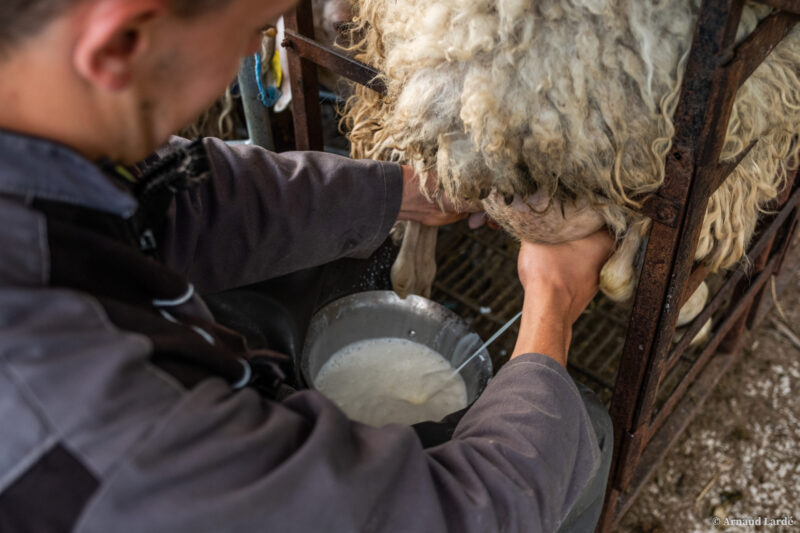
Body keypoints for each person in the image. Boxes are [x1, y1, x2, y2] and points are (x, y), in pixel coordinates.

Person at [0, 0, 615, 531]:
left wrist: (404, 192)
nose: (254, 45)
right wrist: (551, 304)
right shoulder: (94, 428)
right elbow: (465, 514)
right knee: (580, 434)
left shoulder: (41, 135)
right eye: (254, 29)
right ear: (123, 43)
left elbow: (176, 193)